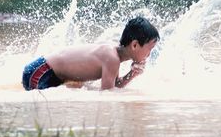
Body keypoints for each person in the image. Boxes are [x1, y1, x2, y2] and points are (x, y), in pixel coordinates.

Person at [22, 16, 159, 91]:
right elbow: (107, 95)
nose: (149, 54)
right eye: (149, 49)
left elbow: (114, 84)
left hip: (46, 73)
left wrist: (132, 74)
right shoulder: (111, 58)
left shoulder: (113, 55)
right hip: (40, 72)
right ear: (135, 45)